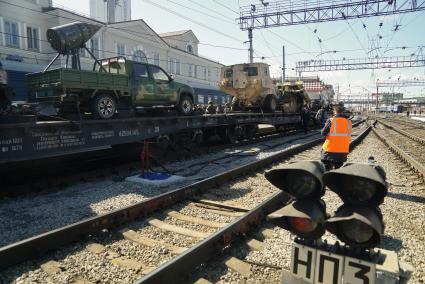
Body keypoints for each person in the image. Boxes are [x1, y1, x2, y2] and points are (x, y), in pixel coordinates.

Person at [321, 104, 352, 170]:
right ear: (343, 112)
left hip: (330, 149)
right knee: (339, 169)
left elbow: (323, 133)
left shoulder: (331, 120)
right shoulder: (349, 122)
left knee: (326, 166)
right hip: (343, 150)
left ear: (335, 111)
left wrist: (328, 134)